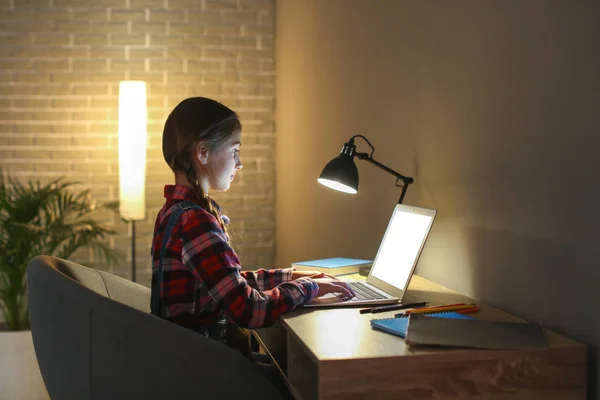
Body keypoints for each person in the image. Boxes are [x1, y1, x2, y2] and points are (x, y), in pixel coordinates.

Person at [150, 97, 355, 392]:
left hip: (188, 364)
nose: (240, 163)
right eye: (234, 151)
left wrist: (293, 276)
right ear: (203, 153)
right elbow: (247, 309)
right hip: (203, 375)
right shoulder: (195, 221)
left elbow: (227, 286)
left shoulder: (174, 210)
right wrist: (308, 290)